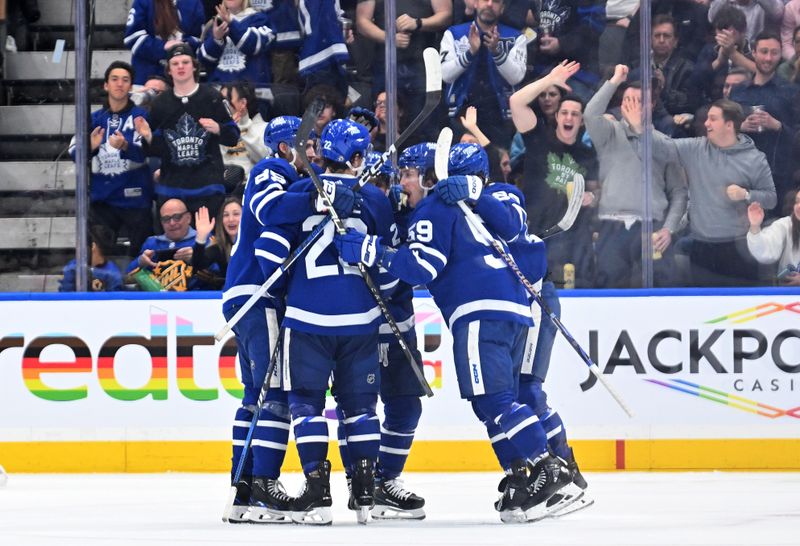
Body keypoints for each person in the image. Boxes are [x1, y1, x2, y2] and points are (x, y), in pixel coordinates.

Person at [333, 143, 575, 524]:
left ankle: (549, 467)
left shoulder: (435, 208)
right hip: (508, 309)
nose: (402, 182)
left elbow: (422, 267)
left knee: (495, 401)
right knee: (490, 403)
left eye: (409, 174)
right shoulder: (457, 210)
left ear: (431, 178)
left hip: (478, 312)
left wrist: (370, 249)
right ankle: (524, 475)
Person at [273, 118, 392, 525]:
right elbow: (388, 265)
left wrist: (313, 200)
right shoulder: (375, 200)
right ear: (356, 158)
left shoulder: (302, 189)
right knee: (360, 407)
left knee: (306, 405)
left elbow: (269, 216)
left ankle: (317, 492)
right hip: (361, 318)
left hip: (307, 317)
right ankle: (364, 492)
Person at [220, 116, 318, 523]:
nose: (311, 151)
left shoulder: (284, 174)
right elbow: (270, 209)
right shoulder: (271, 169)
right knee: (272, 394)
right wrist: (321, 187)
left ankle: (242, 491)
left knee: (253, 396)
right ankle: (263, 487)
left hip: (245, 295)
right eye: (306, 144)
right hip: (257, 297)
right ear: (283, 148)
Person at [629, 98, 778, 286]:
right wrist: (640, 126)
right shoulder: (696, 148)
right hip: (701, 249)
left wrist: (747, 194)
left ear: (729, 125)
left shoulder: (755, 159)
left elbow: (771, 198)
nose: (706, 123)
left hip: (739, 249)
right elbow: (663, 145)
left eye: (713, 119)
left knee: (737, 311)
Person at [584, 64, 688, 288]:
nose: (631, 106)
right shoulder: (609, 134)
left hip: (652, 228)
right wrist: (614, 81)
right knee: (608, 290)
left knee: (658, 290)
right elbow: (590, 114)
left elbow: (680, 192)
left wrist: (669, 229)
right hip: (612, 226)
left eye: (638, 101)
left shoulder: (664, 143)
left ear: (651, 105)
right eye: (627, 100)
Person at [509, 61, 599, 288]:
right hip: (535, 234)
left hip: (573, 240)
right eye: (565, 113)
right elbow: (516, 102)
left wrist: (593, 198)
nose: (569, 118)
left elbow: (598, 190)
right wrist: (549, 80)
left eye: (575, 114)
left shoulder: (588, 155)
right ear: (557, 116)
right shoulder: (538, 139)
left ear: (581, 121)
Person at [134, 43, 240, 219]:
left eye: (185, 62)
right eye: (175, 64)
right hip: (172, 190)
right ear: (169, 70)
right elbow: (157, 150)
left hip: (208, 188)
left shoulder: (212, 97)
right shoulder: (160, 104)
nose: (181, 67)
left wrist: (219, 128)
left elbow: (233, 137)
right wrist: (148, 137)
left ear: (194, 66)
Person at [68, 60, 154, 257]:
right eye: (114, 79)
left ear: (131, 86)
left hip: (136, 200)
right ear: (106, 85)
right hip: (103, 202)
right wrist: (89, 147)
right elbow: (74, 153)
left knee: (142, 257)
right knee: (96, 257)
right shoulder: (92, 119)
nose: (119, 84)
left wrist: (125, 145)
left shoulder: (141, 117)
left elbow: (145, 152)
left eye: (125, 80)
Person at [355, 0, 452, 140]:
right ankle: (385, 159)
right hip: (386, 64)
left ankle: (424, 158)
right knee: (384, 123)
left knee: (425, 124)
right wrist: (388, 38)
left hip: (422, 64)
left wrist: (418, 23)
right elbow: (362, 21)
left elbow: (446, 14)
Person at [440, 0, 527, 146]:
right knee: (459, 166)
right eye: (484, 0)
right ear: (475, 3)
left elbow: (516, 77)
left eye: (497, 1)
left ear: (503, 8)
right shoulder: (453, 33)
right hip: (460, 114)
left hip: (500, 116)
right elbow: (446, 75)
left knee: (496, 165)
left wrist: (496, 52)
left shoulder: (516, 37)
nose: (489, 4)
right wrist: (470, 53)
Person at [730, 32, 800, 208]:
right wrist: (740, 126)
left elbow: (798, 136)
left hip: (778, 173)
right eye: (764, 51)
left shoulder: (791, 91)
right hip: (741, 171)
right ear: (753, 52)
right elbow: (724, 130)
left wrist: (776, 125)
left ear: (780, 54)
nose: (768, 58)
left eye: (774, 53)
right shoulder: (738, 91)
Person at [198, 0, 274, 112]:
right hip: (219, 96)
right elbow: (203, 59)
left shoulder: (260, 19)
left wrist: (232, 23)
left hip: (254, 96)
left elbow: (253, 45)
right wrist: (217, 39)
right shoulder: (214, 22)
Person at [126, 198, 218, 290]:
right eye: (166, 219)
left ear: (188, 218)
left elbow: (219, 273)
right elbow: (127, 276)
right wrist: (140, 262)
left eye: (177, 217)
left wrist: (197, 258)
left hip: (198, 299)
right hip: (158, 300)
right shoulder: (152, 243)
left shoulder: (204, 239)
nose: (172, 223)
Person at [124, 0, 205, 86]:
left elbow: (200, 39)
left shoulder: (193, 3)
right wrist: (162, 46)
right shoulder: (143, 2)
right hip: (147, 78)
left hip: (181, 79)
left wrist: (183, 45)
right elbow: (131, 38)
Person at [219, 81, 270, 182]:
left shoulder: (265, 129)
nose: (220, 106)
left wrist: (243, 126)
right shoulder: (215, 129)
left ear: (242, 103)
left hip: (249, 189)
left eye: (225, 101)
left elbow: (265, 158)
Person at [747, 190, 800, 285]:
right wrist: (755, 226)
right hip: (787, 294)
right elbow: (765, 252)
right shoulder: (785, 225)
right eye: (797, 202)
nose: (799, 206)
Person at [191, 198, 242, 290]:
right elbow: (197, 267)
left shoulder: (256, 244)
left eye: (236, 214)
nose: (231, 219)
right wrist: (201, 238)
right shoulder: (219, 248)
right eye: (226, 215)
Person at [59, 226, 123, 292]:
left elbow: (114, 299)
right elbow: (64, 296)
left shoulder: (112, 273)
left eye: (83, 245)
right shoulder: (73, 267)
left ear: (93, 246)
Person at [707, 0, 783, 45]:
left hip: (757, 51)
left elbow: (778, 12)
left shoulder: (764, 4)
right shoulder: (727, 2)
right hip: (727, 47)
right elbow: (711, 18)